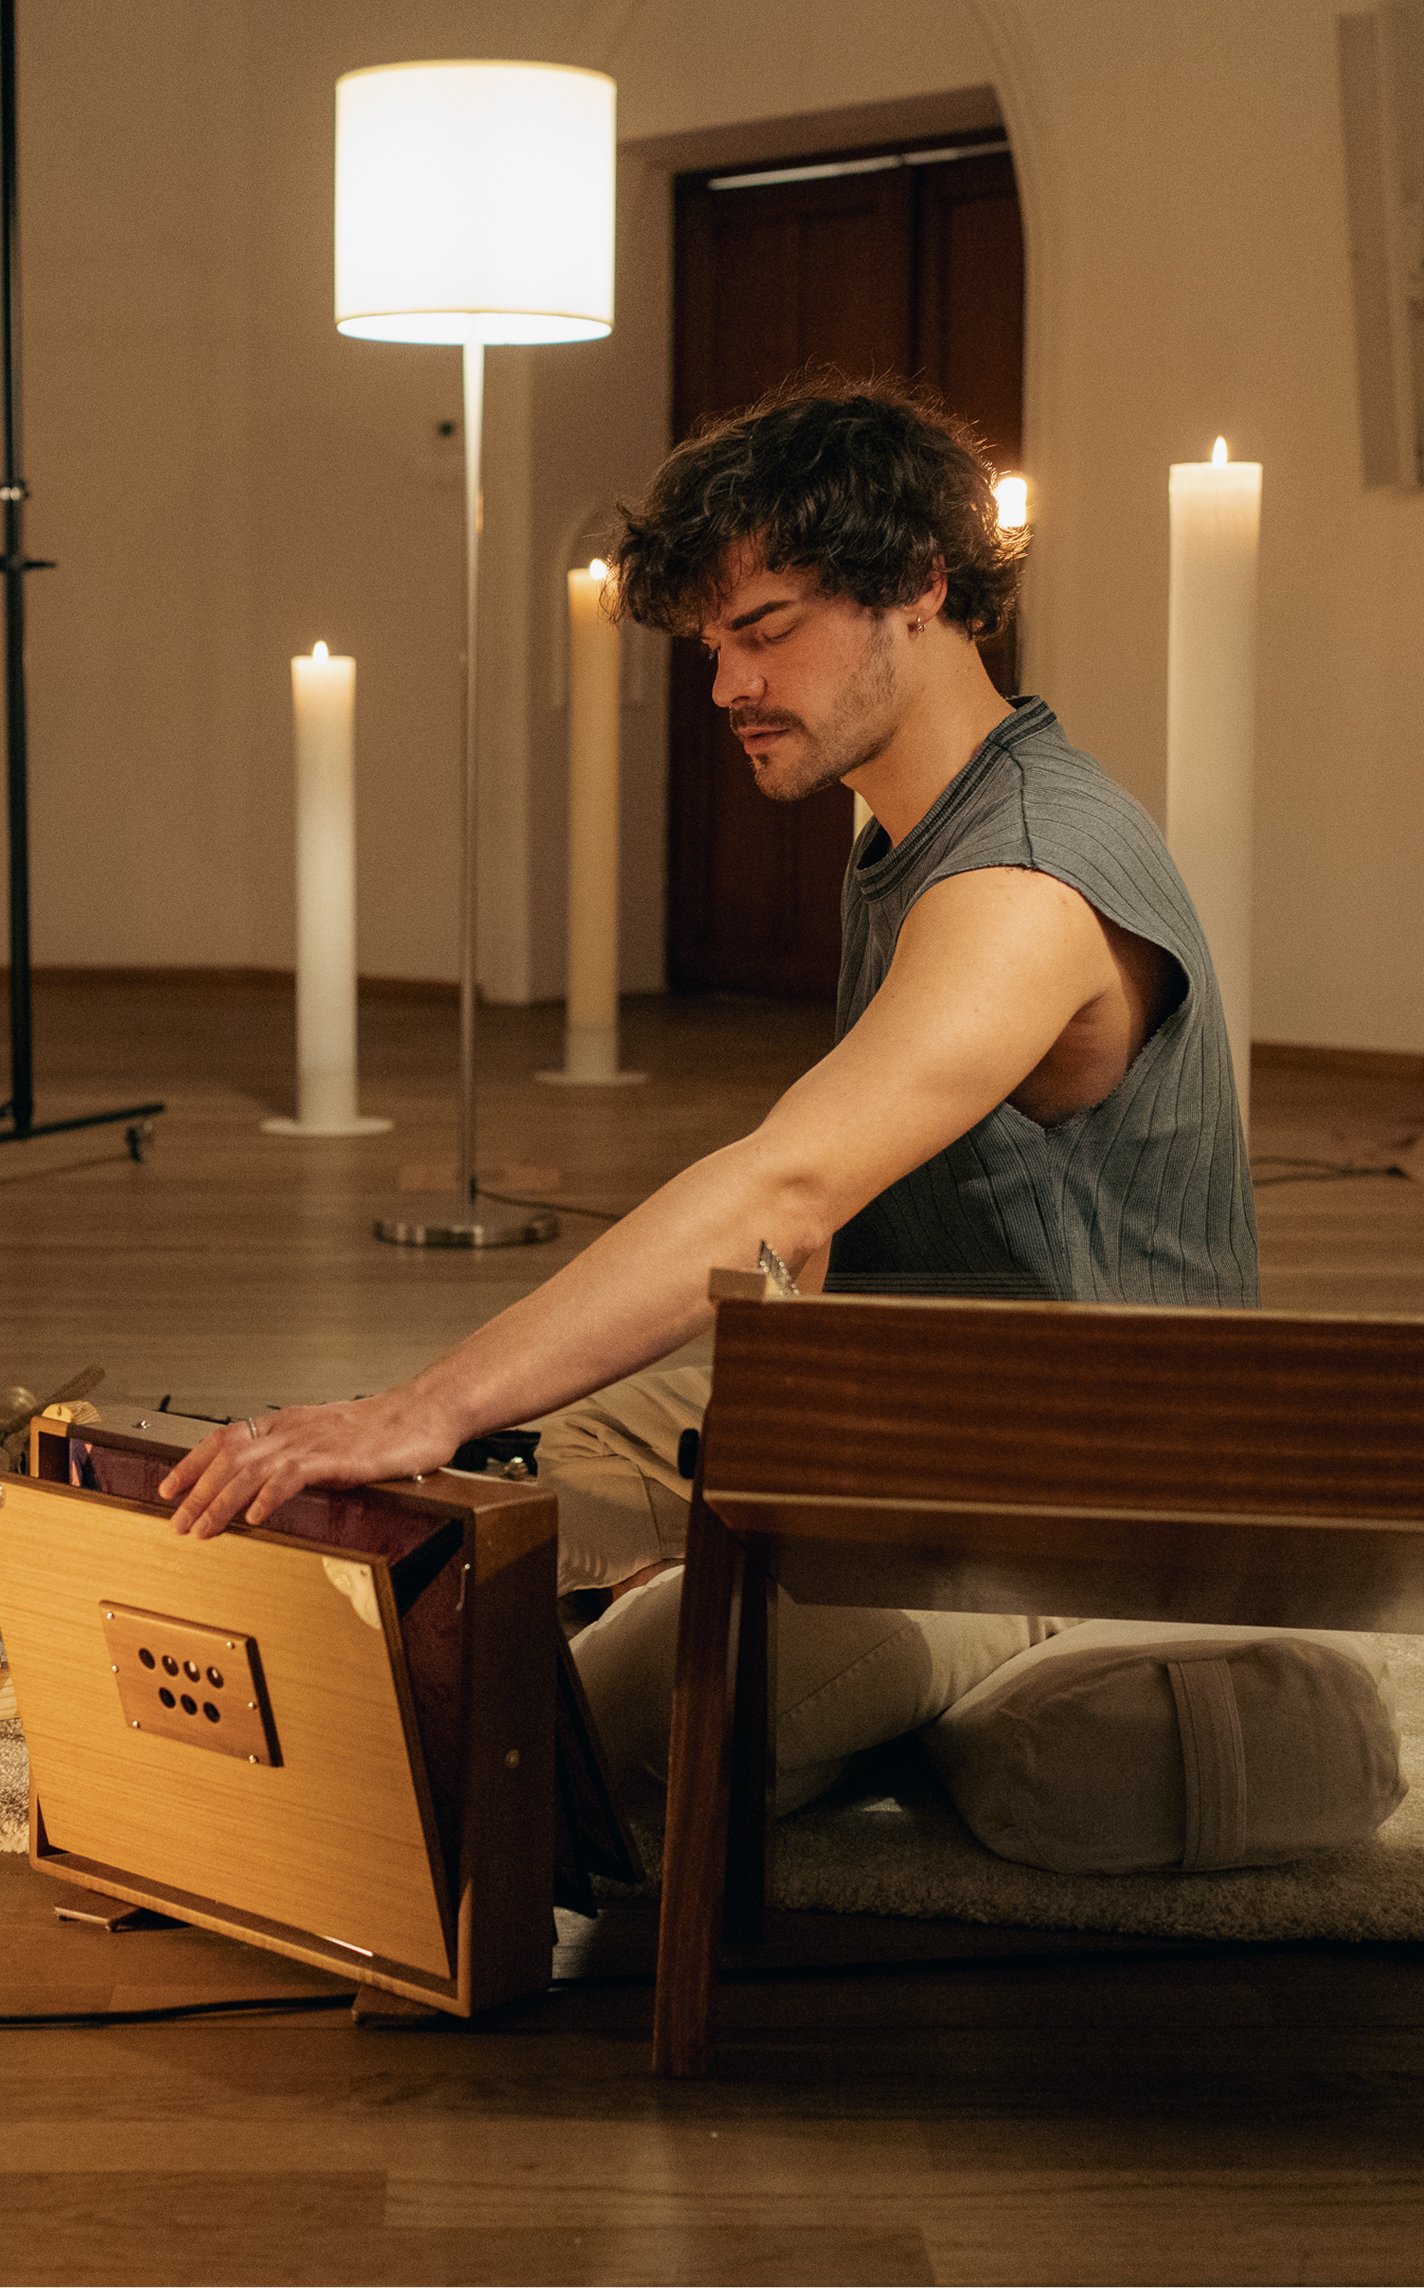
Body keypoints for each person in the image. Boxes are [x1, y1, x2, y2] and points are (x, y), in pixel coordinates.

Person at [159, 375, 1259, 1816]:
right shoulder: (919, 825)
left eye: (763, 631)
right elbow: (830, 1216)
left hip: (1064, 1501)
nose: (728, 684)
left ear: (915, 588)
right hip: (898, 1406)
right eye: (709, 646)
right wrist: (415, 1429)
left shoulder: (1024, 877)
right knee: (401, 1502)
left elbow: (788, 1185)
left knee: (536, 1754)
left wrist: (419, 1406)